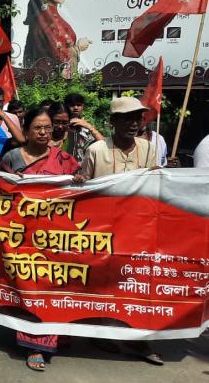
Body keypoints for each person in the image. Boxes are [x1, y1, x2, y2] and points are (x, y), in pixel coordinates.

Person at [75, 96, 162, 365]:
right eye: (127, 118)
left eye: (137, 117)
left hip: (137, 230)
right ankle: (99, 331)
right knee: (101, 281)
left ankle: (137, 339)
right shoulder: (96, 150)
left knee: (136, 285)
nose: (134, 123)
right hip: (101, 229)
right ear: (113, 122)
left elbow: (155, 187)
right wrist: (79, 181)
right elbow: (83, 185)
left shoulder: (149, 149)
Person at [0, 108, 78, 371]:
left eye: (47, 127)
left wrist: (80, 182)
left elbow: (80, 190)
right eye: (37, 128)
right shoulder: (11, 157)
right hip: (22, 236)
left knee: (52, 286)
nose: (43, 132)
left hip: (55, 236)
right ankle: (34, 344)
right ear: (26, 129)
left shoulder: (65, 160)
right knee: (29, 285)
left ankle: (52, 335)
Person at [23, 0, 91, 76]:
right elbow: (60, 58)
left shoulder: (45, 15)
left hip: (44, 79)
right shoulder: (48, 18)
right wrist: (78, 48)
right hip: (52, 82)